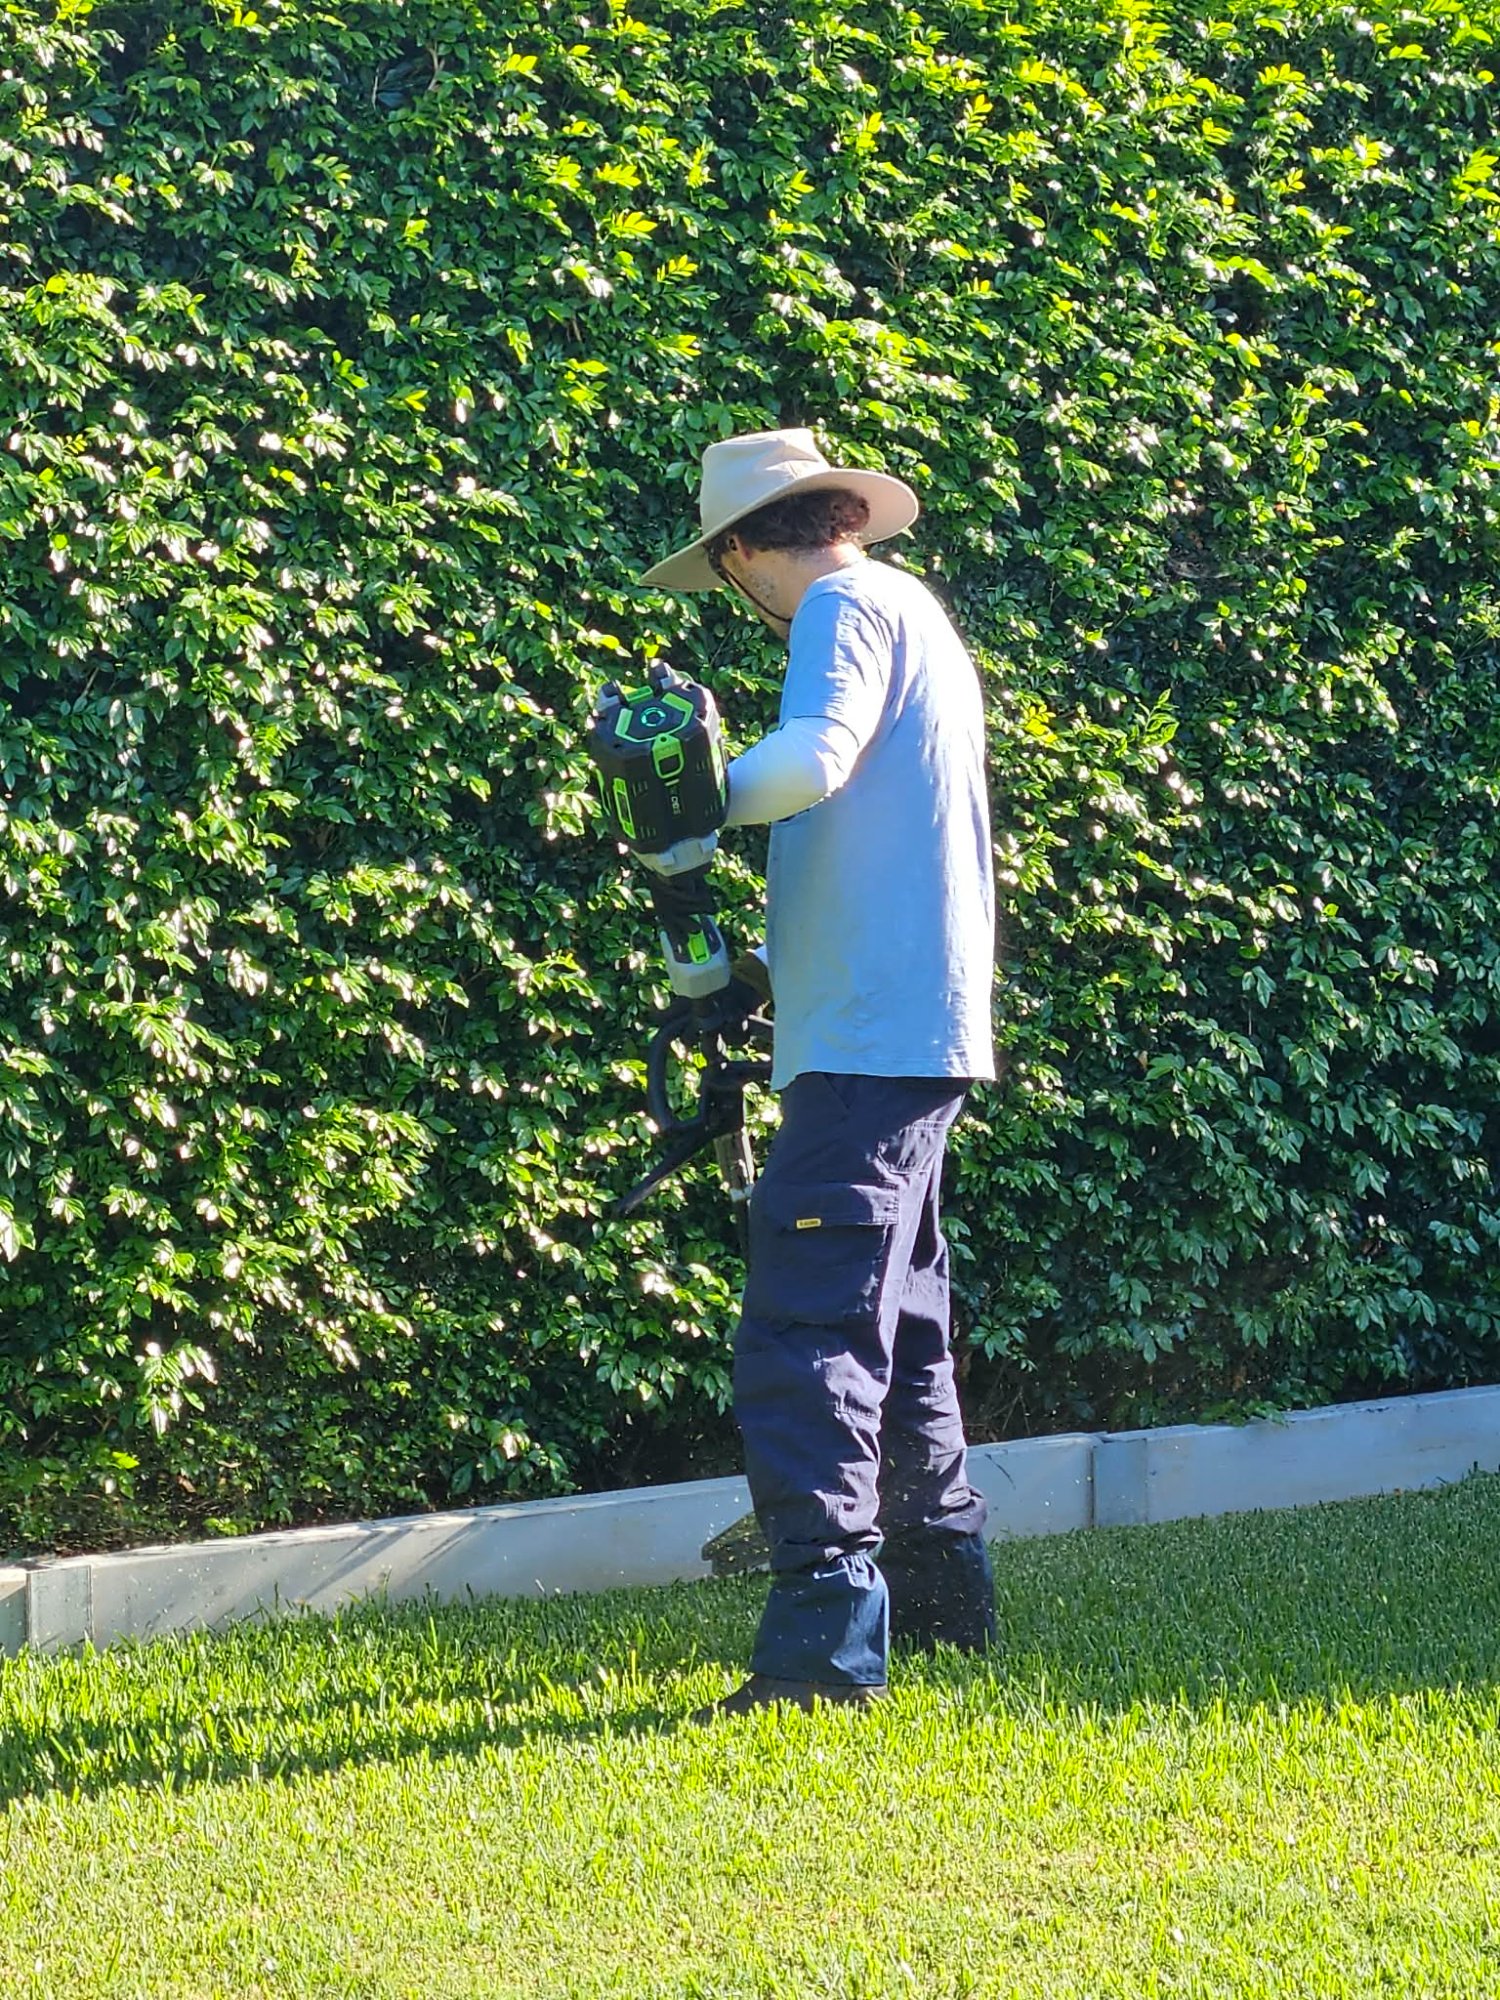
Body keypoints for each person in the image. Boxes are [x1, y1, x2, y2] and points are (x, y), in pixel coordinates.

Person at [640, 428, 998, 1718]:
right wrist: (762, 975)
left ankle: (822, 1655)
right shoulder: (912, 608)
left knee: (808, 1336)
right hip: (905, 1026)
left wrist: (687, 801)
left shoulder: (842, 607)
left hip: (869, 1041)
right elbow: (873, 848)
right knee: (904, 1327)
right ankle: (945, 1604)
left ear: (744, 553)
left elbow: (813, 760)